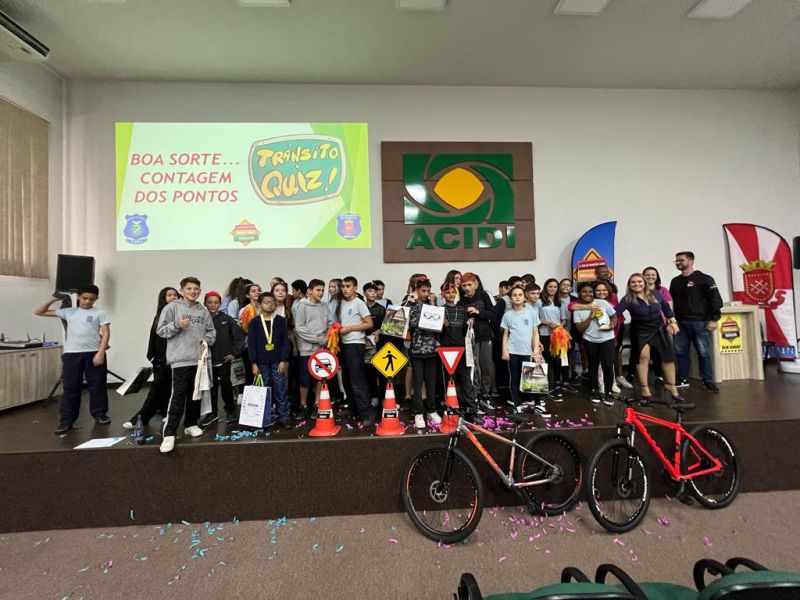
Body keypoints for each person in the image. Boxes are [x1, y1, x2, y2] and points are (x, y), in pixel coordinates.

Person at [35, 285, 112, 434]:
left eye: (91, 299)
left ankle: (100, 414)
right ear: (78, 297)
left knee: (97, 385)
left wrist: (101, 353)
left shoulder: (100, 313)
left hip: (93, 352)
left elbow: (106, 333)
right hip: (72, 354)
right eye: (84, 298)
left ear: (96, 299)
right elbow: (39, 311)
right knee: (70, 387)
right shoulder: (69, 312)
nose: (87, 301)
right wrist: (53, 298)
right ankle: (66, 421)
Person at [157, 277, 216, 453]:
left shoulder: (203, 311)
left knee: (195, 394)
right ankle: (169, 433)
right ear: (182, 291)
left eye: (196, 288)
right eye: (189, 288)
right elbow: (161, 331)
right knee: (178, 395)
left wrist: (207, 339)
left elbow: (211, 331)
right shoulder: (172, 308)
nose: (193, 291)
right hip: (180, 360)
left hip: (199, 360)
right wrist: (177, 325)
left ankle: (190, 424)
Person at [616, 273, 682, 402]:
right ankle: (644, 388)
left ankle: (671, 385)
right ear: (629, 285)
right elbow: (615, 312)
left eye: (639, 281)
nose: (637, 284)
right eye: (633, 282)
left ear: (644, 283)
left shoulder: (655, 293)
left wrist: (673, 321)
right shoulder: (627, 299)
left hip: (658, 328)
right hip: (640, 330)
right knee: (643, 357)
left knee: (667, 357)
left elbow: (665, 307)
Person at [123, 286, 179, 430]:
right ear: (163, 298)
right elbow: (153, 337)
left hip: (175, 358)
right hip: (160, 359)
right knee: (159, 387)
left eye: (175, 295)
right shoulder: (159, 316)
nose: (173, 297)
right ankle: (146, 416)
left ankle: (147, 416)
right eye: (169, 295)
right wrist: (152, 356)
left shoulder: (180, 314)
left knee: (165, 388)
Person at [669, 252, 723, 392]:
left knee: (703, 352)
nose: (678, 263)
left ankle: (708, 380)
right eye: (676, 261)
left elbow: (716, 300)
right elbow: (670, 302)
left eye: (681, 260)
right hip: (680, 323)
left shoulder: (705, 279)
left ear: (691, 261)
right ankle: (682, 378)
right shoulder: (675, 281)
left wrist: (714, 319)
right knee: (680, 352)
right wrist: (671, 320)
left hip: (700, 322)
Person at [500, 285, 548, 416]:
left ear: (524, 297)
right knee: (515, 378)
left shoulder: (531, 313)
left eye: (520, 295)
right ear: (510, 299)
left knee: (534, 378)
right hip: (513, 351)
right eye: (514, 295)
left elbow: (535, 333)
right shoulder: (507, 315)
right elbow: (505, 335)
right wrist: (504, 351)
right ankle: (517, 405)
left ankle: (538, 404)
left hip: (528, 351)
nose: (517, 297)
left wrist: (536, 350)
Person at [441, 282, 483, 424]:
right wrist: (442, 325)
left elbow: (466, 329)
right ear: (443, 294)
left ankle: (471, 409)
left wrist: (469, 322)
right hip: (446, 349)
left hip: (462, 349)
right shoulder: (440, 310)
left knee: (466, 379)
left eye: (453, 292)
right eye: (447, 292)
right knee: (449, 379)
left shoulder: (462, 308)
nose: (451, 295)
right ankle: (451, 409)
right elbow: (435, 331)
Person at [201, 291, 245, 427]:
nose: (213, 305)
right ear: (205, 303)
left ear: (220, 304)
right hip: (207, 360)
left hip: (224, 360)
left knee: (226, 385)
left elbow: (239, 337)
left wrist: (234, 353)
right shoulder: (202, 319)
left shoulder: (227, 319)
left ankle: (230, 410)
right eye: (210, 302)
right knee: (210, 388)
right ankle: (212, 413)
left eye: (216, 302)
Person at [248, 291, 292, 428]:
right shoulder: (255, 322)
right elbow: (251, 344)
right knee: (263, 390)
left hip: (278, 361)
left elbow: (285, 342)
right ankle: (263, 417)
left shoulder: (280, 321)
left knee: (280, 388)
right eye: (267, 302)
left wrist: (284, 360)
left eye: (272, 302)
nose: (270, 305)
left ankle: (284, 416)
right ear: (260, 304)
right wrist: (253, 363)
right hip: (261, 362)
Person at [572, 282, 618, 406]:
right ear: (579, 293)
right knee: (593, 365)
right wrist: (591, 316)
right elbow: (580, 329)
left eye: (590, 291)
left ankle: (608, 392)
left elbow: (614, 316)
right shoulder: (577, 309)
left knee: (607, 365)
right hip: (590, 340)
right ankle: (594, 391)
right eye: (584, 292)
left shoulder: (602, 303)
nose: (587, 294)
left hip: (607, 338)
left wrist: (612, 325)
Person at [337, 276, 374, 425]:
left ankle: (367, 412)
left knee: (357, 379)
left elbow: (369, 323)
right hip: (344, 344)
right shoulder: (342, 303)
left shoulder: (359, 303)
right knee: (346, 379)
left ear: (355, 288)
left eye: (348, 286)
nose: (345, 289)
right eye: (343, 286)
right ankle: (353, 409)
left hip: (356, 344)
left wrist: (350, 328)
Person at [293, 278, 333, 418]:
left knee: (320, 377)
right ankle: (303, 405)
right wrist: (318, 339)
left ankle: (317, 404)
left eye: (322, 290)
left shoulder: (324, 306)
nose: (321, 293)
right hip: (307, 349)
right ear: (309, 291)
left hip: (321, 349)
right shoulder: (302, 306)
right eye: (318, 290)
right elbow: (299, 328)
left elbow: (330, 323)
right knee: (305, 379)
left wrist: (330, 334)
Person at [408, 277, 442, 429]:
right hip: (416, 350)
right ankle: (418, 412)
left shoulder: (432, 305)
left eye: (428, 291)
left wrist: (433, 307)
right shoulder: (412, 304)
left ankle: (431, 410)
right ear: (417, 290)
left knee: (431, 382)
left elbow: (438, 326)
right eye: (423, 291)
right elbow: (412, 323)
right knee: (417, 382)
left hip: (432, 350)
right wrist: (427, 316)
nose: (426, 293)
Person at [459, 272, 497, 408]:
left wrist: (478, 312)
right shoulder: (461, 301)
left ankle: (486, 394)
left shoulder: (483, 295)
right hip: (471, 338)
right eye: (464, 285)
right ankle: (475, 394)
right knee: (474, 366)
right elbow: (461, 322)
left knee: (486, 365)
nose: (467, 288)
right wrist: (467, 321)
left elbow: (492, 314)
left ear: (475, 284)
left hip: (485, 335)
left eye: (469, 285)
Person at [594, 265, 634, 392]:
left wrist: (613, 318)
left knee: (617, 350)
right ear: (596, 273)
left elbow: (616, 305)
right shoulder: (592, 287)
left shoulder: (613, 286)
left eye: (607, 271)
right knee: (603, 353)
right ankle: (605, 381)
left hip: (617, 322)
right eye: (602, 272)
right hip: (600, 323)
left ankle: (619, 376)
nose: (605, 273)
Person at [538, 278, 570, 400]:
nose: (552, 289)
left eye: (555, 287)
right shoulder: (540, 302)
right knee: (545, 360)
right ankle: (544, 388)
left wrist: (559, 326)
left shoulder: (559, 302)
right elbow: (535, 319)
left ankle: (552, 386)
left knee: (556, 361)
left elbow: (564, 319)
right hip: (544, 334)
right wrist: (546, 322)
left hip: (557, 336)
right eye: (550, 286)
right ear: (546, 287)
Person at [363, 280, 387, 405]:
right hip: (366, 343)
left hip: (380, 342)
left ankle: (384, 397)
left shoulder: (382, 309)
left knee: (382, 371)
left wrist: (378, 332)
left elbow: (387, 326)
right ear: (364, 293)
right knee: (369, 370)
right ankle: (373, 396)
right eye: (370, 291)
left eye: (374, 291)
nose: (373, 293)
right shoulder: (361, 308)